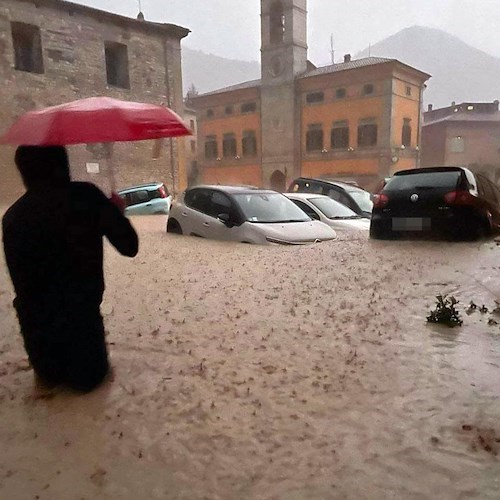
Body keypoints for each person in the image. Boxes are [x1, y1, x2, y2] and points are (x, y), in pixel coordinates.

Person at [2, 145, 139, 392]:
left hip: (40, 350)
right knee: (95, 392)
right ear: (63, 164)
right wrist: (116, 213)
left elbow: (22, 286)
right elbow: (129, 246)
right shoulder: (87, 197)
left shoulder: (12, 217)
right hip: (85, 341)